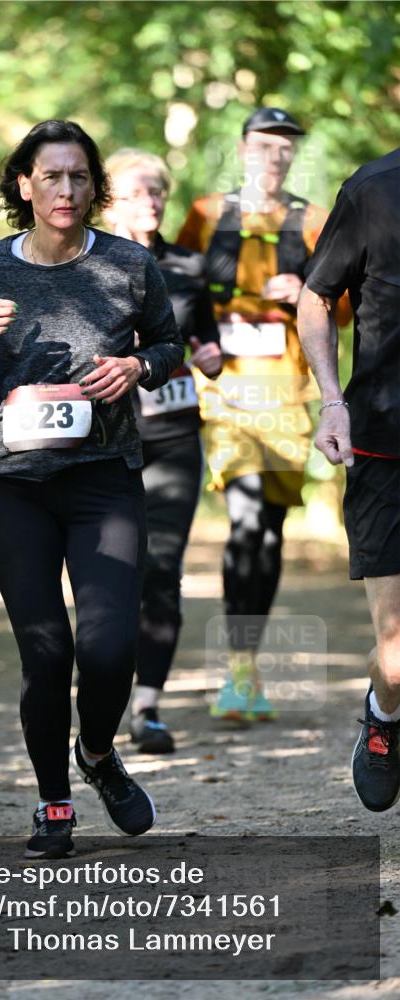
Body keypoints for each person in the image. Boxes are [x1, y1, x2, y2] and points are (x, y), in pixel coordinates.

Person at [0, 120, 184, 858]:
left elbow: (169, 345)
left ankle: (98, 753)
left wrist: (137, 368)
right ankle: (54, 800)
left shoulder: (128, 264)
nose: (66, 189)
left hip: (103, 480)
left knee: (110, 648)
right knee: (47, 651)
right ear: (25, 185)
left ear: (94, 186)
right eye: (51, 176)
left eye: (79, 176)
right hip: (13, 487)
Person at [177, 107, 350, 721]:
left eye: (285, 146)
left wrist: (305, 290)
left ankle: (246, 665)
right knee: (246, 517)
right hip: (227, 392)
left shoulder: (314, 221)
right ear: (243, 149)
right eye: (263, 145)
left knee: (270, 528)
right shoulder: (205, 214)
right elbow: (176, 288)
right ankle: (236, 668)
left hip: (288, 393)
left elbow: (343, 306)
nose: (274, 156)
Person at [104, 148, 222, 753]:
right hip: (107, 439)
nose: (150, 201)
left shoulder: (188, 265)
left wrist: (212, 355)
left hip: (175, 435)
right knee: (110, 573)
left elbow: (207, 339)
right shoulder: (89, 265)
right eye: (136, 192)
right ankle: (102, 695)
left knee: (163, 569)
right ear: (110, 204)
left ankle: (147, 706)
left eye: (157, 191)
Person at [297, 147, 400, 813]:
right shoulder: (374, 188)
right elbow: (315, 296)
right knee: (396, 661)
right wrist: (331, 401)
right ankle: (384, 713)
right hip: (385, 445)